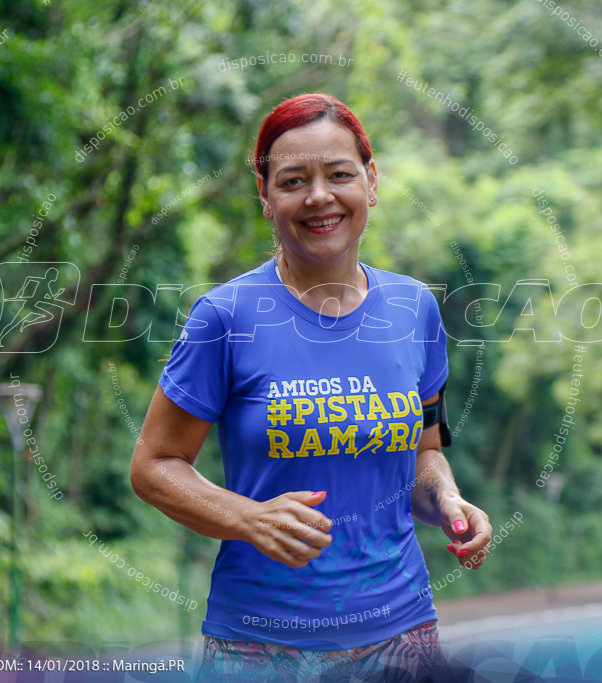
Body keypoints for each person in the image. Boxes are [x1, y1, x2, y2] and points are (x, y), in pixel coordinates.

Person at [131, 93, 492, 681]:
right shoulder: (224, 317)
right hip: (261, 647)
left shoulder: (415, 309)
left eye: (340, 174)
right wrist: (247, 517)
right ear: (266, 198)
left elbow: (423, 453)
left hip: (402, 638)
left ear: (371, 182)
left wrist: (447, 500)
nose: (319, 196)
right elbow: (154, 465)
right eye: (294, 180)